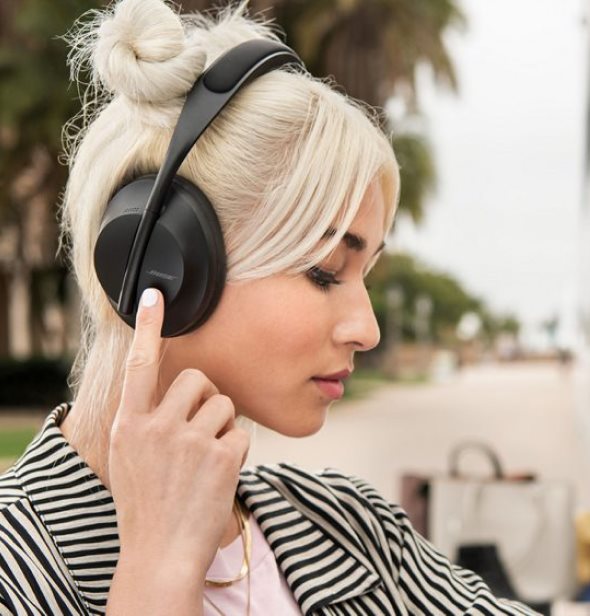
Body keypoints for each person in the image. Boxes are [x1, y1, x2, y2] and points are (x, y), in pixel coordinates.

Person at [0, 0, 541, 614]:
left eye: (365, 275)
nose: (367, 329)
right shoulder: (15, 566)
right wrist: (158, 572)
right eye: (324, 271)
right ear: (161, 262)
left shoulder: (353, 529)